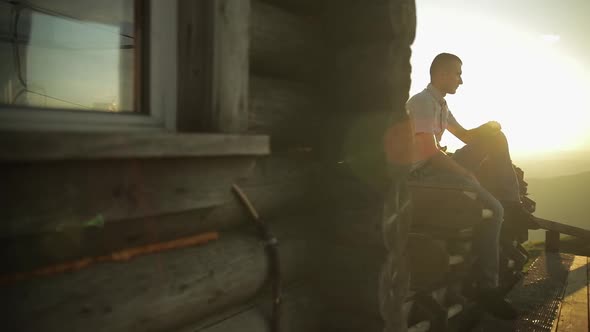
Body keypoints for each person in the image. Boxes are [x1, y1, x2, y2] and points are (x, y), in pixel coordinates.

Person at [406, 53, 537, 320]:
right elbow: (428, 152)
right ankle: (486, 290)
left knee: (496, 137)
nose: (461, 81)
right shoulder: (421, 102)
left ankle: (513, 201)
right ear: (442, 74)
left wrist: (487, 128)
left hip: (434, 165)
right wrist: (466, 173)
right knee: (495, 210)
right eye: (457, 74)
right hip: (421, 175)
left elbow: (465, 136)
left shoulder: (439, 103)